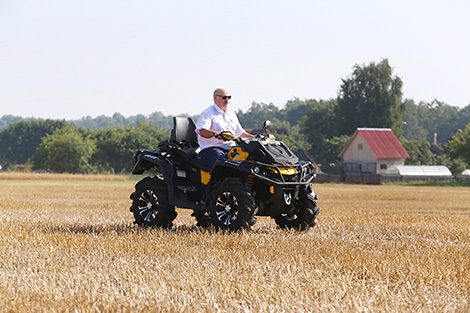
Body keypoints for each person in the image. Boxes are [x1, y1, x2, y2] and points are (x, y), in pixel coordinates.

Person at [195, 88, 254, 167]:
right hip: (211, 149)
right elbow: (202, 131)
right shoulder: (207, 113)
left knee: (250, 162)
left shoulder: (231, 114)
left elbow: (240, 133)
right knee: (225, 165)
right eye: (224, 98)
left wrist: (255, 137)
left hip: (231, 149)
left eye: (229, 97)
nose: (227, 100)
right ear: (215, 97)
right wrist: (216, 134)